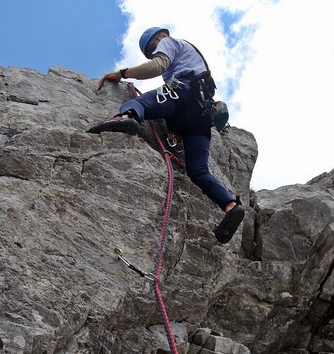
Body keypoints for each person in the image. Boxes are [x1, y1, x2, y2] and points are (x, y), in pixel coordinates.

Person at [87, 27, 244, 244]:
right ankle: (229, 205)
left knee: (140, 102)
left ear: (161, 37)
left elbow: (158, 66)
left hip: (183, 92)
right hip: (201, 116)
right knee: (198, 171)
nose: (156, 49)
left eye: (154, 46)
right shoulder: (191, 55)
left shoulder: (171, 42)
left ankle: (127, 117)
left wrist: (122, 74)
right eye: (153, 49)